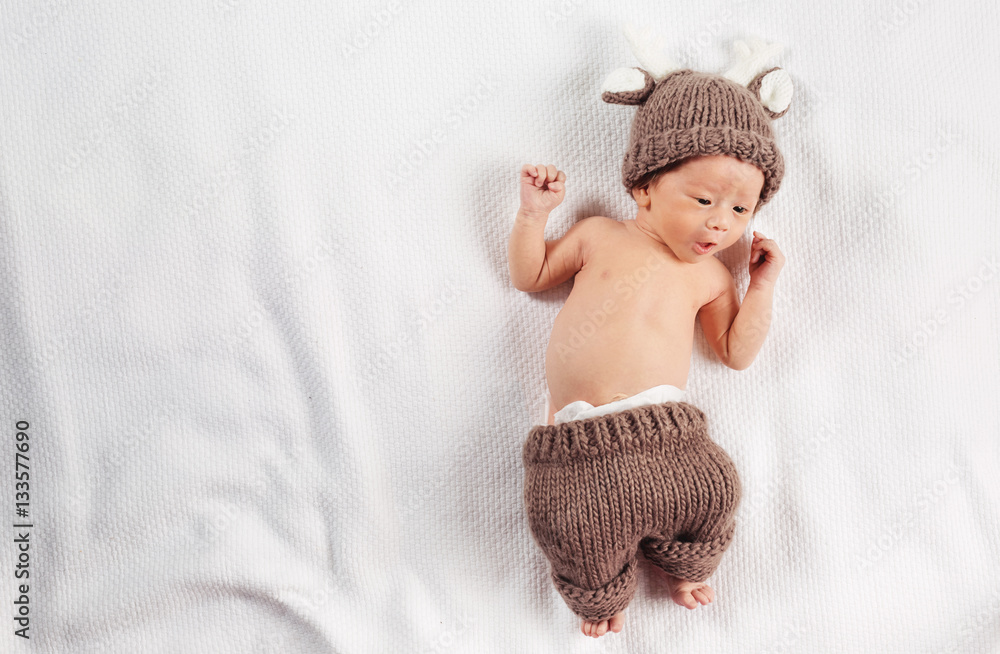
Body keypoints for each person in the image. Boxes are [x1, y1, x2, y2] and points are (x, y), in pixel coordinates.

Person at [508, 48, 792, 638]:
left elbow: (735, 354)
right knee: (571, 526)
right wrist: (533, 217)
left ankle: (689, 567)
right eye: (704, 200)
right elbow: (531, 277)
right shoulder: (598, 236)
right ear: (643, 189)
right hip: (579, 451)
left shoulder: (712, 277)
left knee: (715, 491)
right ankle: (597, 594)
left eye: (741, 209)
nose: (721, 223)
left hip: (671, 441)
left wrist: (760, 285)